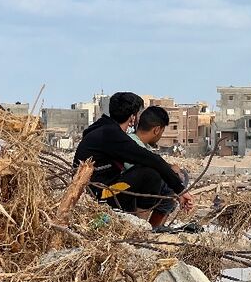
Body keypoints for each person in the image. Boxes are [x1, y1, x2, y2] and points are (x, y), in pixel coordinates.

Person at [73, 92, 194, 225]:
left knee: (143, 173)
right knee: (150, 174)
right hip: (99, 194)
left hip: (97, 190)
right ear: (132, 117)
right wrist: (180, 190)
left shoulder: (102, 129)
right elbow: (151, 159)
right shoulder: (112, 135)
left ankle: (138, 223)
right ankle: (141, 226)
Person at [124, 105, 190, 228]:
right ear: (157, 130)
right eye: (162, 132)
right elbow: (144, 167)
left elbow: (154, 161)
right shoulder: (132, 144)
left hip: (133, 188)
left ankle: (151, 227)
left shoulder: (140, 144)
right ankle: (151, 228)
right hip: (126, 190)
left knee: (179, 176)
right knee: (171, 185)